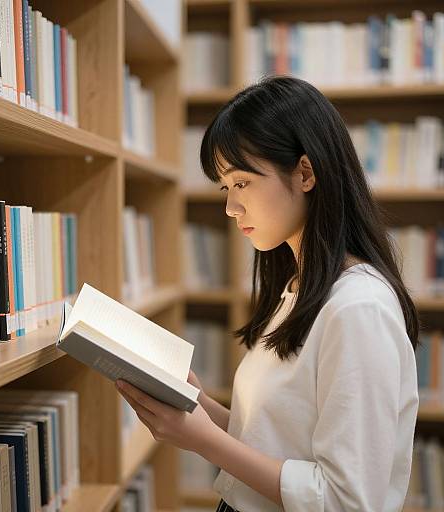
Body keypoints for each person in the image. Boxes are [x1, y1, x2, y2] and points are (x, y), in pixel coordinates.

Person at [116, 76, 419, 512]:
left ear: (305, 172)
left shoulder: (358, 309)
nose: (230, 207)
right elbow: (277, 441)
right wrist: (198, 406)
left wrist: (203, 440)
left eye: (241, 183)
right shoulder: (300, 288)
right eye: (225, 187)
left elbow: (346, 500)